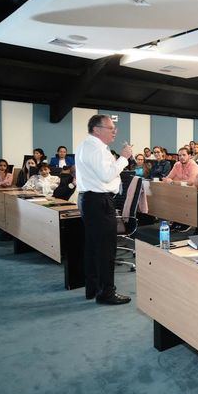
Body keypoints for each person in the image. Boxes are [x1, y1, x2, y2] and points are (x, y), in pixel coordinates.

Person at [76, 114, 132, 304]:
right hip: (99, 202)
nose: (114, 131)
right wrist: (124, 158)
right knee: (106, 249)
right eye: (111, 128)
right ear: (97, 129)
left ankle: (92, 288)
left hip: (90, 200)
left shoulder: (86, 145)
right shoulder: (97, 149)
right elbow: (107, 175)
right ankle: (106, 292)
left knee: (92, 247)